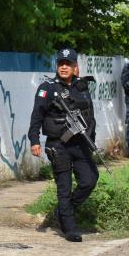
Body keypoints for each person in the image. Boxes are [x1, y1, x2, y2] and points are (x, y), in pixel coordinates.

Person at [28, 48, 98, 242]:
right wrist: (34, 140)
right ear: (57, 66)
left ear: (75, 66)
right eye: (61, 64)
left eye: (68, 63)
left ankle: (63, 211)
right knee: (64, 187)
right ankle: (69, 227)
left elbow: (90, 116)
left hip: (81, 143)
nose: (64, 67)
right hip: (59, 144)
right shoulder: (47, 88)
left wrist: (92, 139)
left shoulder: (82, 87)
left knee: (90, 179)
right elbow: (37, 115)